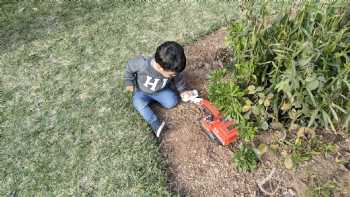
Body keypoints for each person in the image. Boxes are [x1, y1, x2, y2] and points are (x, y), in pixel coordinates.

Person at [124, 41, 193, 138]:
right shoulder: (142, 64)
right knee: (138, 102)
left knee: (172, 101)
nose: (174, 75)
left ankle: (154, 101)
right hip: (142, 91)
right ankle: (155, 123)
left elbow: (178, 77)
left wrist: (182, 90)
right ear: (160, 67)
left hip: (160, 91)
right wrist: (129, 82)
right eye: (172, 74)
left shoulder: (171, 69)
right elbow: (129, 67)